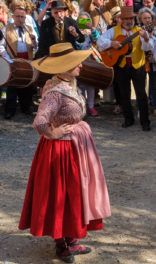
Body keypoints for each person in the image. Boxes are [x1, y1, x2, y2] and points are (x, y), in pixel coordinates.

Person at [19, 42, 111, 263]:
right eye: (75, 63)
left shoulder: (66, 81)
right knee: (62, 194)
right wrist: (53, 133)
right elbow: (39, 122)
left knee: (76, 193)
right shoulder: (55, 92)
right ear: (65, 66)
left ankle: (70, 239)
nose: (80, 65)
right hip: (61, 151)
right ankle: (61, 244)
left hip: (75, 147)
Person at [97, 6, 153, 131]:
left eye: (130, 18)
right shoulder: (113, 31)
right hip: (121, 66)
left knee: (142, 95)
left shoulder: (140, 30)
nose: (129, 21)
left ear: (134, 18)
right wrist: (111, 43)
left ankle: (145, 121)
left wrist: (145, 38)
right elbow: (100, 41)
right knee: (124, 94)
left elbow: (148, 47)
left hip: (138, 66)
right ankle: (128, 119)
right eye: (126, 19)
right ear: (121, 19)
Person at [1, 5, 38, 120]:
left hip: (27, 61)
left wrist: (34, 42)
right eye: (18, 16)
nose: (20, 19)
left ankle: (25, 107)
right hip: (12, 60)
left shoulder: (30, 29)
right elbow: (1, 46)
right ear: (13, 16)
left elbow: (36, 47)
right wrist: (9, 60)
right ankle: (10, 110)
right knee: (12, 87)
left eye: (22, 17)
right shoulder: (6, 29)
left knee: (26, 86)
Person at [137, 7, 156, 118]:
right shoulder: (137, 30)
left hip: (154, 61)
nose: (147, 20)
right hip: (141, 61)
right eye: (145, 18)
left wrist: (151, 35)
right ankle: (141, 109)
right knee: (141, 85)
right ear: (140, 19)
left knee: (154, 85)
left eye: (149, 17)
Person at [76, 11, 100, 116]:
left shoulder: (91, 32)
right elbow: (76, 45)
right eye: (81, 20)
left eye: (86, 20)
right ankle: (82, 107)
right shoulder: (75, 33)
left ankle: (91, 106)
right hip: (79, 61)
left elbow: (98, 39)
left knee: (90, 85)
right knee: (80, 86)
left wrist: (92, 29)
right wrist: (79, 35)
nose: (84, 23)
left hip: (91, 60)